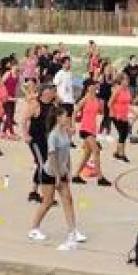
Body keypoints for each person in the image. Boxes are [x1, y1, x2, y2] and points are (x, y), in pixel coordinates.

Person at [28, 105, 86, 250]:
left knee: (68, 199)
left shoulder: (65, 132)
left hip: (62, 171)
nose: (68, 118)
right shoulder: (53, 135)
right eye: (65, 116)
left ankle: (73, 231)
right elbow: (52, 157)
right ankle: (34, 228)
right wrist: (58, 177)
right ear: (58, 118)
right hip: (50, 173)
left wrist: (69, 169)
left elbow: (66, 153)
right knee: (47, 202)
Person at [71, 80, 111, 186]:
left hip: (93, 129)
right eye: (92, 85)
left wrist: (102, 105)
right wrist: (73, 125)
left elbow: (100, 112)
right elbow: (74, 112)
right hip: (85, 129)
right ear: (88, 87)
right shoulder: (85, 99)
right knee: (96, 151)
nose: (94, 87)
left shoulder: (97, 100)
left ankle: (76, 175)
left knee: (87, 154)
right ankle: (100, 178)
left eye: (95, 85)